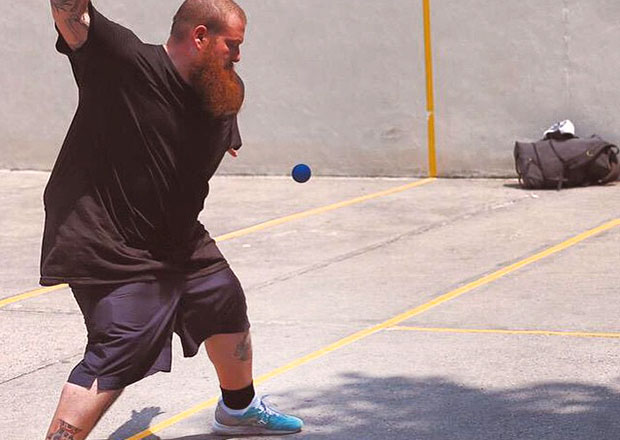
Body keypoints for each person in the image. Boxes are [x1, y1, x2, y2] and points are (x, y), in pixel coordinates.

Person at [43, 0, 304, 438]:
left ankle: (238, 410)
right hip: (108, 239)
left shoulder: (217, 90)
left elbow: (215, 128)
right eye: (232, 45)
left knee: (222, 298)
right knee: (125, 340)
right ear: (200, 36)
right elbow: (73, 16)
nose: (238, 56)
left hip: (178, 237)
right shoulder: (124, 62)